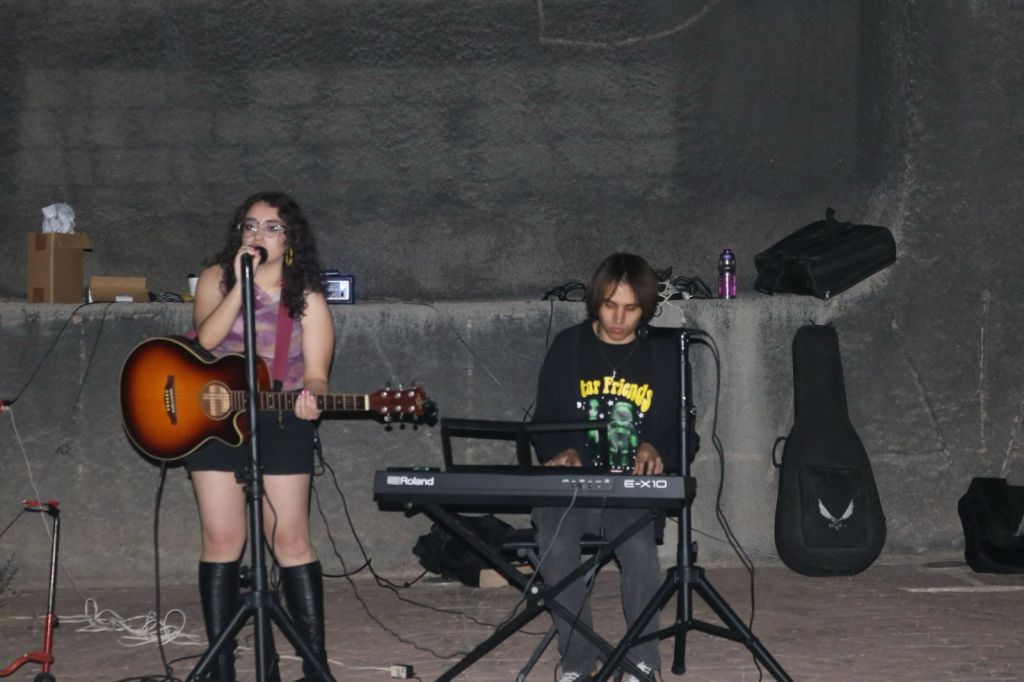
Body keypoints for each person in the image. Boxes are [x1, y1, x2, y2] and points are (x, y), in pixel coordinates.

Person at [187, 191, 335, 681]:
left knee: (290, 539)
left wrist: (313, 395)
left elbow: (317, 374)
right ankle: (221, 667)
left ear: (290, 239)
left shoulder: (306, 295)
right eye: (250, 226)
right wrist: (240, 285)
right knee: (222, 538)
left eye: (272, 228)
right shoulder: (216, 278)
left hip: (281, 418)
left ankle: (314, 666)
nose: (258, 235)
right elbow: (206, 340)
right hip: (213, 421)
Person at [531, 253, 680, 682]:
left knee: (639, 551)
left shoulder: (662, 354)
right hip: (572, 486)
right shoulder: (569, 347)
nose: (618, 318)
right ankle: (578, 661)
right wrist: (562, 451)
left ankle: (642, 661)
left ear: (646, 309)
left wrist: (656, 447)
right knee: (555, 544)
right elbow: (543, 421)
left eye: (631, 308)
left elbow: (682, 430)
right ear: (595, 302)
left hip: (630, 487)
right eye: (610, 305)